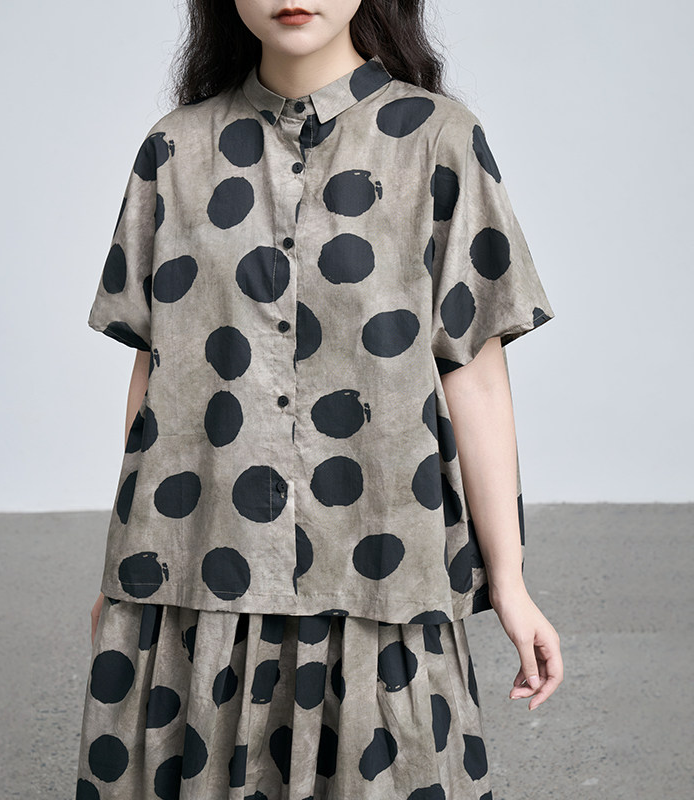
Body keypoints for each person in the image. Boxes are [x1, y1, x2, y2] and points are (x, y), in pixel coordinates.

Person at [75, 1, 564, 798]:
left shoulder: (439, 140)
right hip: (201, 563)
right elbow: (154, 369)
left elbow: (473, 370)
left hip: (382, 564)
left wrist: (508, 581)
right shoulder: (174, 149)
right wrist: (127, 566)